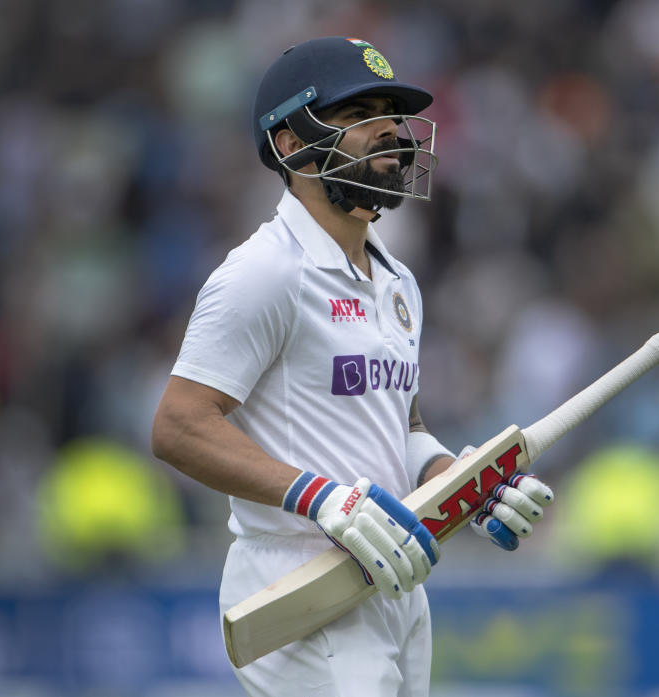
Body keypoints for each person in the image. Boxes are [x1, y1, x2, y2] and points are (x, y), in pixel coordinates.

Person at [151, 36, 554, 697]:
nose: (392, 130)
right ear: (289, 142)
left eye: (392, 113)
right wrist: (319, 496)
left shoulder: (398, 280)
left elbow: (401, 424)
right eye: (360, 112)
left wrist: (469, 485)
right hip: (301, 581)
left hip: (393, 579)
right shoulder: (264, 272)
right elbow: (178, 425)